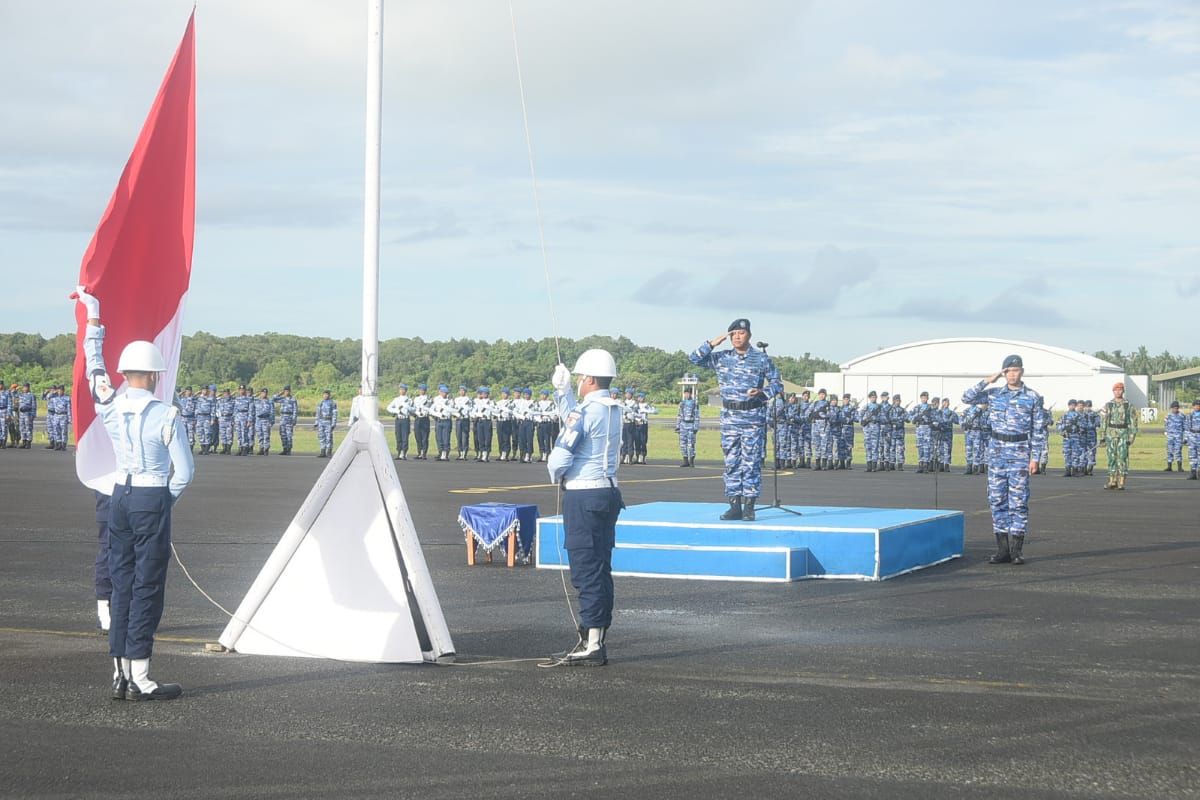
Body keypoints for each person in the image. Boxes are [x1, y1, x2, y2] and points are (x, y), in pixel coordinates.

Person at [73, 286, 193, 700]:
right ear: (156, 374)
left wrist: (94, 315)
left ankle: (118, 672)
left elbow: (93, 365)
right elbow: (185, 473)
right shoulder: (166, 414)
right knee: (147, 586)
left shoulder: (109, 401)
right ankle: (141, 676)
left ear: (124, 373)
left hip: (120, 496)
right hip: (150, 497)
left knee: (121, 583)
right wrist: (163, 502)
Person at [542, 349, 623, 668]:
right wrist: (562, 394)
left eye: (578, 378)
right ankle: (595, 635)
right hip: (608, 492)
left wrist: (554, 474)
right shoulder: (613, 408)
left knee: (585, 567)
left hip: (583, 495)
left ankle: (592, 643)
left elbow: (562, 452)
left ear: (589, 379)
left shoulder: (586, 411)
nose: (577, 382)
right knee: (600, 567)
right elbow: (577, 421)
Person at [688, 318, 782, 521]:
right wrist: (712, 343)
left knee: (751, 462)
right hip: (730, 417)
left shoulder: (761, 359)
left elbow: (777, 383)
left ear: (749, 335)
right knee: (731, 462)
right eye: (733, 334)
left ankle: (749, 506)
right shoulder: (721, 357)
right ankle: (734, 505)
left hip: (753, 417)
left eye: (741, 333)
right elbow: (693, 359)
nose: (737, 337)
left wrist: (763, 393)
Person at [962, 354, 1046, 566]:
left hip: (1019, 452)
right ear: (1003, 373)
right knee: (997, 500)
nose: (1012, 374)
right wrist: (988, 380)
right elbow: (967, 398)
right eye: (1008, 371)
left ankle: (1017, 551)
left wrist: (1035, 457)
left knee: (1018, 502)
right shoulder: (993, 394)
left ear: (1022, 372)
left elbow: (1038, 430)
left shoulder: (1033, 397)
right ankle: (1002, 550)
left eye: (1015, 370)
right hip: (997, 453)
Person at [1102, 382, 1138, 490]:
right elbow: (1104, 421)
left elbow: (1133, 421)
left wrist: (1132, 436)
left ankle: (1121, 481)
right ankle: (1112, 480)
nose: (1118, 392)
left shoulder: (1128, 405)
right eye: (1116, 390)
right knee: (1111, 458)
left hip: (1123, 433)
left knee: (1122, 457)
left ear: (1123, 391)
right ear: (1113, 391)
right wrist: (1102, 436)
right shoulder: (1108, 405)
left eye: (1120, 389)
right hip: (1111, 433)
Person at [385, 384, 413, 460]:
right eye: (400, 389)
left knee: (405, 436)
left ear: (406, 390)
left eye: (403, 389)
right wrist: (397, 410)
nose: (401, 391)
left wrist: (407, 407)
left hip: (405, 419)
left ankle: (404, 453)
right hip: (398, 419)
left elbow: (413, 410)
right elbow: (388, 408)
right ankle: (399, 452)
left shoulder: (409, 400)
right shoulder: (396, 399)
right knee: (398, 436)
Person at [429, 384, 454, 461]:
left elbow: (451, 410)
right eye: (443, 392)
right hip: (439, 420)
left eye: (445, 392)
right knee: (439, 438)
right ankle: (441, 453)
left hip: (446, 420)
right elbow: (431, 410)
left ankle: (445, 454)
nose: (444, 394)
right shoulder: (437, 400)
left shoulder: (450, 401)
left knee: (446, 438)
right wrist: (438, 414)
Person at [676, 386, 699, 467]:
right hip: (683, 425)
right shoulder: (682, 403)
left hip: (691, 425)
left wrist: (696, 427)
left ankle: (691, 460)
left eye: (688, 393)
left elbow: (696, 415)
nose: (687, 395)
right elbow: (679, 415)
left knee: (691, 444)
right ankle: (685, 460)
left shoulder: (694, 403)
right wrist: (677, 426)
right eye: (685, 393)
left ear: (691, 394)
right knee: (683, 443)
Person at [273, 385, 298, 455]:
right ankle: (284, 449)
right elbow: (273, 399)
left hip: (289, 417)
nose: (286, 392)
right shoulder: (282, 398)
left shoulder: (293, 399)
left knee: (289, 435)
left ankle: (289, 449)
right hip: (283, 418)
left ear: (290, 391)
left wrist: (294, 419)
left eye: (287, 391)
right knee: (282, 434)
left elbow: (295, 410)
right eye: (285, 391)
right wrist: (280, 393)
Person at [533, 388, 556, 462]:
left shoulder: (551, 403)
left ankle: (547, 453)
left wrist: (548, 415)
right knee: (540, 439)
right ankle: (542, 453)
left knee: (547, 439)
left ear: (546, 395)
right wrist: (539, 419)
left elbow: (553, 413)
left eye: (543, 394)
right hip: (540, 423)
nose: (542, 396)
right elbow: (535, 413)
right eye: (541, 394)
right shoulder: (538, 403)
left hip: (548, 423)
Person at [471, 386, 494, 461]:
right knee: (480, 438)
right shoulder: (478, 402)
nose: (483, 394)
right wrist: (476, 415)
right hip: (479, 420)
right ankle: (482, 453)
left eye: (484, 393)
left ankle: (486, 454)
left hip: (487, 421)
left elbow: (495, 411)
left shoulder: (491, 402)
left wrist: (487, 406)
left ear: (487, 394)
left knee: (487, 438)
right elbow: (473, 411)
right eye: (482, 393)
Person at [452, 385, 473, 460]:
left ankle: (464, 453)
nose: (461, 392)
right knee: (458, 437)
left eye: (463, 390)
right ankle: (460, 453)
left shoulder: (468, 399)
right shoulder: (456, 399)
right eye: (460, 390)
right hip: (458, 419)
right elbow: (453, 408)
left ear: (465, 391)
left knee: (465, 437)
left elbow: (470, 409)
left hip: (465, 419)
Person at [315, 390, 338, 458]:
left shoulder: (332, 403)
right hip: (321, 421)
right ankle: (322, 451)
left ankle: (329, 452)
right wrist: (316, 422)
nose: (325, 395)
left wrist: (333, 423)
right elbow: (318, 413)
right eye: (324, 394)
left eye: (327, 394)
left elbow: (334, 414)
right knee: (321, 437)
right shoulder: (320, 402)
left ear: (329, 395)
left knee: (329, 437)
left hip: (328, 421)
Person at [1163, 401, 1184, 472]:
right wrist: (1166, 431)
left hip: (1178, 436)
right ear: (1171, 408)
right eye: (1174, 408)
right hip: (1170, 436)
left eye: (1176, 408)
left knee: (1178, 451)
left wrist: (1184, 435)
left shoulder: (1182, 416)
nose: (1175, 409)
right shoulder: (1168, 416)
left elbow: (1185, 426)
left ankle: (1179, 467)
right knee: (1169, 450)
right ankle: (1169, 466)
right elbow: (1165, 424)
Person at [412, 383, 431, 460]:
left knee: (425, 437)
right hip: (418, 418)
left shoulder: (428, 399)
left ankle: (424, 453)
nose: (421, 391)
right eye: (420, 389)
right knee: (418, 436)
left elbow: (430, 408)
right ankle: (419, 452)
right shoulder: (416, 399)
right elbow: (414, 408)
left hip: (424, 418)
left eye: (422, 390)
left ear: (425, 390)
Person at [253, 388, 275, 455]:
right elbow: (249, 398)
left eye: (265, 393)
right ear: (260, 393)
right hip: (258, 420)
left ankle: (266, 449)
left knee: (266, 435)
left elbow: (272, 412)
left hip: (266, 419)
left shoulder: (270, 401)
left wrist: (272, 421)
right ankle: (261, 448)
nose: (264, 394)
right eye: (263, 393)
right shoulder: (256, 400)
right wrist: (256, 394)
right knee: (260, 435)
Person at [17, 381, 36, 448]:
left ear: (28, 387)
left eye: (26, 387)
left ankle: (28, 442)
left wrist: (33, 415)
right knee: (22, 428)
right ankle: (24, 441)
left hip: (28, 414)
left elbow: (34, 405)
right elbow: (13, 395)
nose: (25, 388)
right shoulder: (21, 395)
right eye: (24, 387)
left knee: (28, 428)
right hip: (21, 414)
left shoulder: (31, 395)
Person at [216, 388, 235, 454]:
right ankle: (224, 448)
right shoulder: (220, 400)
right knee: (222, 434)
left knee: (229, 434)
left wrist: (233, 419)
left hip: (229, 419)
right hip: (222, 419)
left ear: (229, 393)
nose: (226, 394)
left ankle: (228, 449)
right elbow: (217, 409)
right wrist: (219, 417)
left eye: (227, 393)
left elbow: (235, 410)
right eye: (224, 393)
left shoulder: (232, 401)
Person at [177, 386, 196, 451]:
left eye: (189, 391)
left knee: (191, 433)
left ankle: (191, 448)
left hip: (191, 418)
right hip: (183, 418)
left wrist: (195, 419)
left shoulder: (194, 399)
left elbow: (196, 409)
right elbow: (176, 397)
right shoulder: (182, 399)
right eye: (187, 391)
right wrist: (182, 392)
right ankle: (184, 447)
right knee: (183, 433)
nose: (188, 392)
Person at [1187, 399, 1200, 480]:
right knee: (1192, 455)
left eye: (1198, 405)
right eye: (1196, 405)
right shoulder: (1190, 415)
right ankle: (1193, 473)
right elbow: (1187, 427)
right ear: (1193, 406)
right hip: (1192, 436)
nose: (1197, 407)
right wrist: (1186, 438)